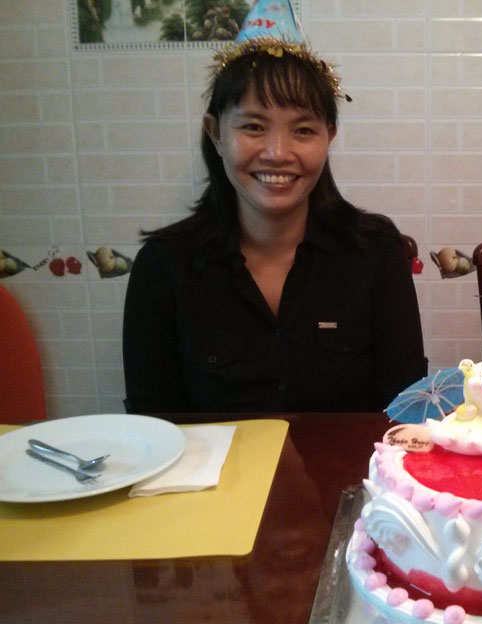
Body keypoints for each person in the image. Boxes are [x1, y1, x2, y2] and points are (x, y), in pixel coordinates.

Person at [123, 1, 425, 413]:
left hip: (347, 478)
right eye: (252, 126)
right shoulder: (164, 267)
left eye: (302, 130)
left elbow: (404, 412)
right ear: (215, 133)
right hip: (219, 479)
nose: (277, 152)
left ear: (328, 136)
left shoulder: (375, 253)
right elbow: (154, 425)